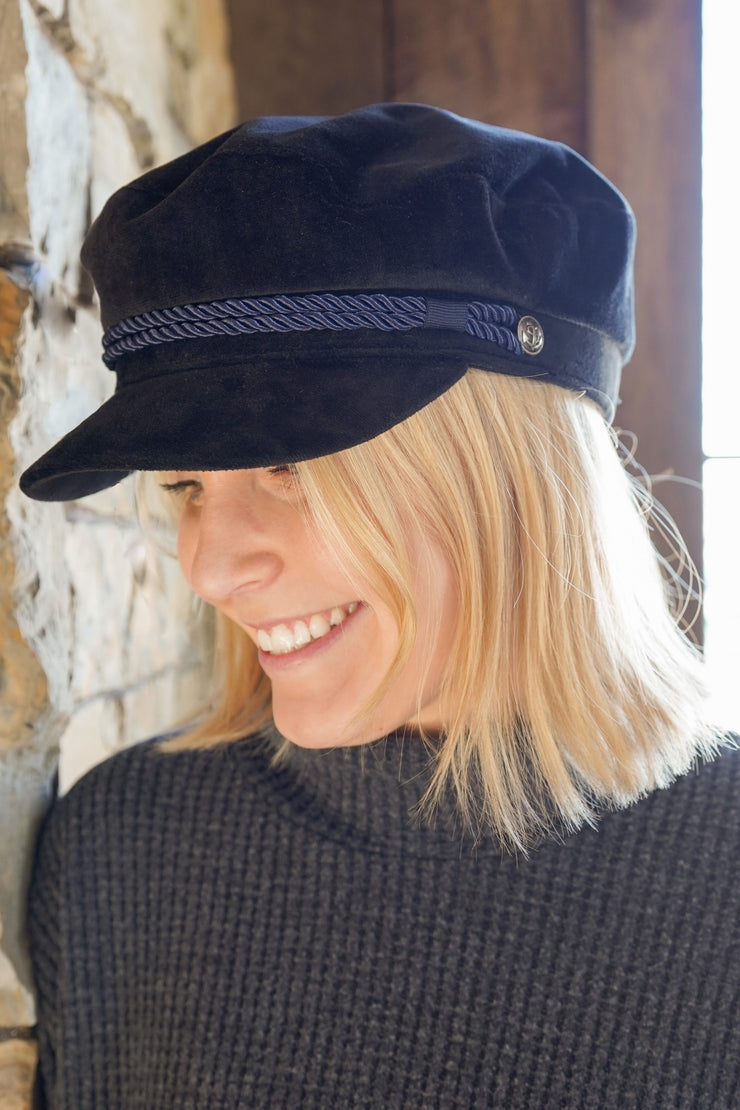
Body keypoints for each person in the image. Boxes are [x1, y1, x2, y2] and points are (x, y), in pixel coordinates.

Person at [21, 104, 738, 1109]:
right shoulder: (121, 852)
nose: (211, 568)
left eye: (289, 467)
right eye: (184, 485)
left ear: (506, 471)